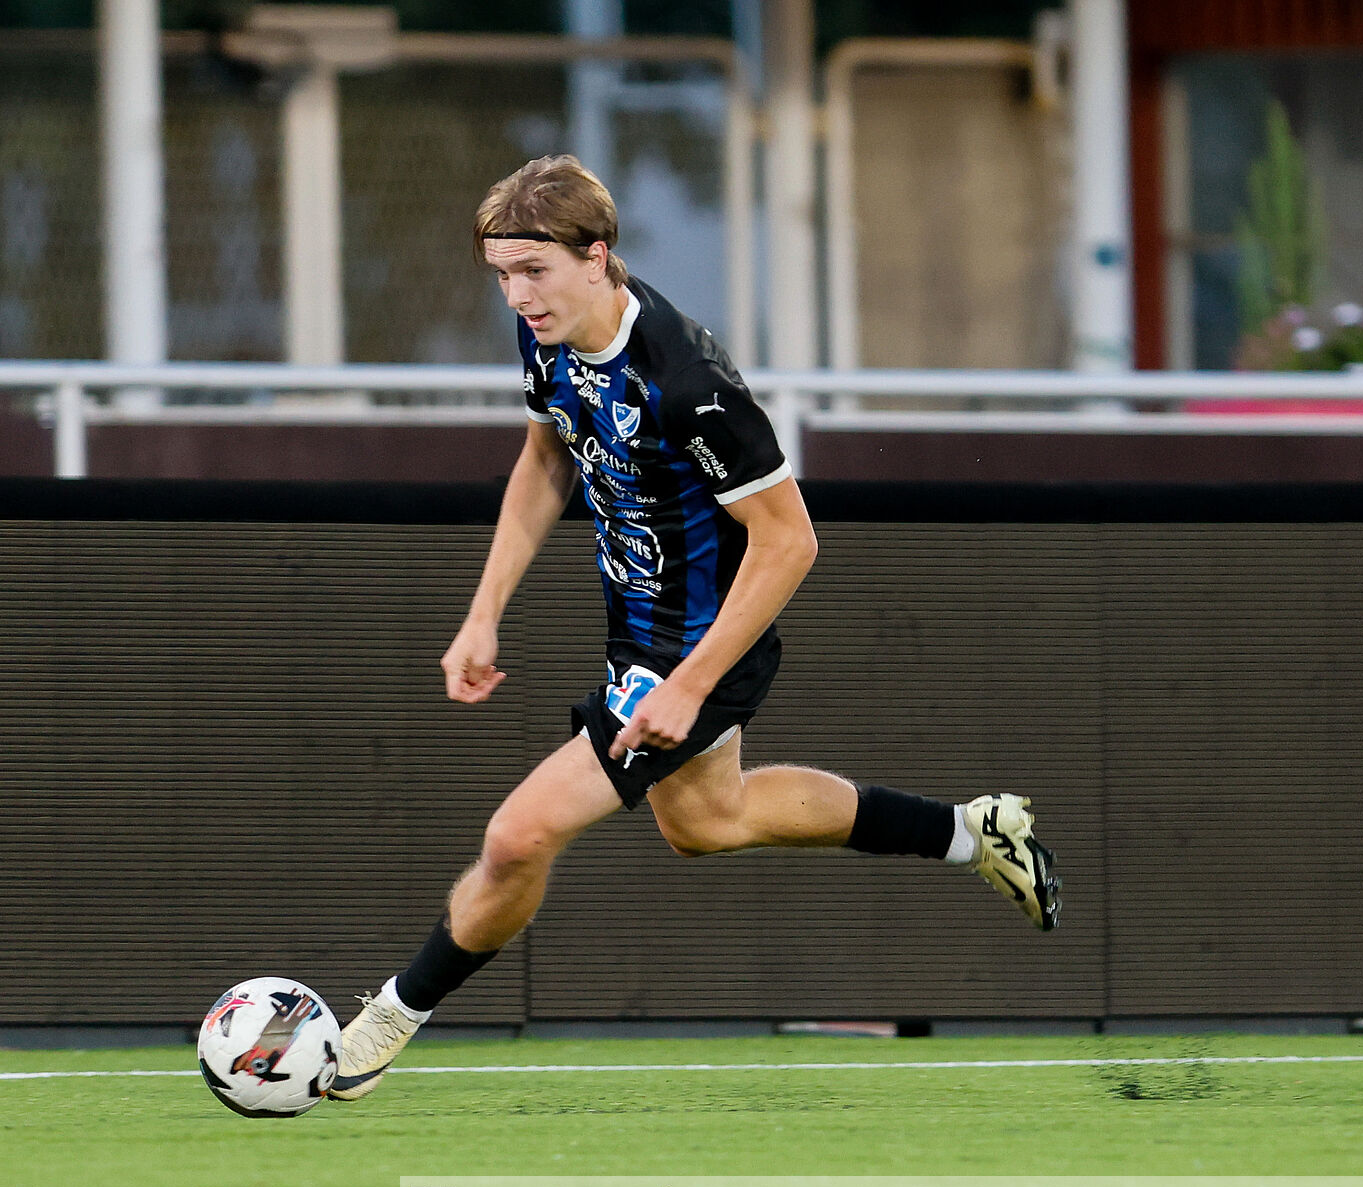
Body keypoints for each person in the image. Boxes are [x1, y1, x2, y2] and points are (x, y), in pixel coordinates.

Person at [329, 155, 1059, 1102]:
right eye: (502, 275)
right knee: (709, 823)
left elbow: (790, 543)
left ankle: (386, 1020)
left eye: (533, 272)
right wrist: (483, 613)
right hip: (642, 634)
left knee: (517, 837)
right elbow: (547, 456)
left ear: (599, 257)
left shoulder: (687, 385)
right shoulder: (547, 339)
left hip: (701, 640)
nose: (517, 296)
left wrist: (689, 682)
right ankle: (972, 833)